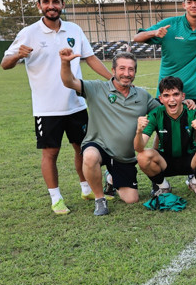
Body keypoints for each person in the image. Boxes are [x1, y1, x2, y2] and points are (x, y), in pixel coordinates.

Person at [1, 0, 112, 214]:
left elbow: (90, 58)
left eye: (55, 1)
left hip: (76, 103)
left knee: (83, 149)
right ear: (39, 5)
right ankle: (56, 198)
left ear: (62, 4)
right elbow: (5, 64)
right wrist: (18, 55)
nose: (51, 6)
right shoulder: (29, 32)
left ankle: (86, 188)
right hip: (47, 108)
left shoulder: (74, 29)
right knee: (50, 153)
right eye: (46, 2)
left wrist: (113, 79)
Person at [59, 50, 160, 215]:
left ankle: (110, 177)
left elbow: (163, 111)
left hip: (123, 156)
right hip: (99, 146)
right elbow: (69, 81)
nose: (126, 73)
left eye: (131, 69)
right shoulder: (97, 88)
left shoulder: (142, 95)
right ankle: (100, 199)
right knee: (90, 156)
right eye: (122, 68)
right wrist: (65, 62)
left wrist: (185, 102)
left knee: (131, 199)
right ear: (113, 70)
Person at [134, 76, 196, 200]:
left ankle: (195, 183)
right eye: (166, 95)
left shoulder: (193, 112)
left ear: (183, 96)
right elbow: (139, 148)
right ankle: (164, 187)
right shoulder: (155, 114)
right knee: (142, 156)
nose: (171, 99)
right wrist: (139, 131)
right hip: (165, 161)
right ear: (161, 99)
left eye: (176, 94)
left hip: (190, 160)